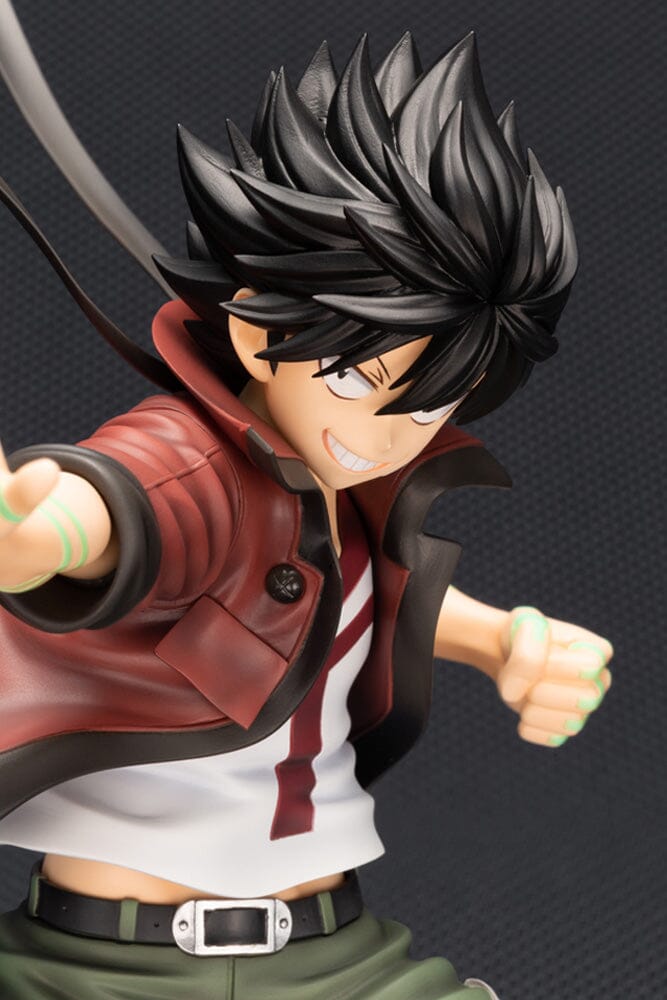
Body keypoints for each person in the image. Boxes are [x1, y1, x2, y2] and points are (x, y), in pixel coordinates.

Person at [0, 31, 612, 999]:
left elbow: (355, 605)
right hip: (100, 968)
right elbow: (121, 509)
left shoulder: (346, 498)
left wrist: (504, 640)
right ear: (255, 329)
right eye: (352, 379)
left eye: (426, 404)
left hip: (333, 956)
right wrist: (35, 534)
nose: (380, 435)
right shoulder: (192, 463)